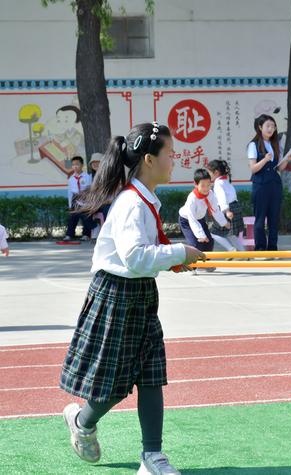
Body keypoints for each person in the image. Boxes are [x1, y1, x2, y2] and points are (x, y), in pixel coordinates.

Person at [59, 122, 205, 475]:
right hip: (117, 295)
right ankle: (82, 419)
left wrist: (172, 260)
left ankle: (152, 456)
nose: (175, 160)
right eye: (170, 154)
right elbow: (135, 257)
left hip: (139, 292)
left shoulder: (144, 198)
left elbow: (145, 256)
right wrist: (177, 253)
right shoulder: (130, 203)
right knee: (117, 381)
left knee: (152, 373)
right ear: (149, 160)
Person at [248, 114, 291, 251]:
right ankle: (260, 247)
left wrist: (286, 160)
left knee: (274, 218)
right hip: (260, 185)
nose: (270, 129)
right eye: (267, 126)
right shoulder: (253, 145)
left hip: (275, 184)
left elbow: (279, 168)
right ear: (260, 127)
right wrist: (265, 159)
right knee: (260, 218)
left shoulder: (274, 144)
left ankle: (272, 247)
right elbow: (253, 168)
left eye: (273, 126)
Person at [178, 168, 228, 253]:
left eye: (208, 185)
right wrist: (200, 235)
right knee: (196, 245)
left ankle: (206, 265)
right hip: (186, 221)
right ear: (195, 184)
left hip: (200, 219)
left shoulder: (211, 194)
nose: (206, 188)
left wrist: (224, 222)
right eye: (203, 185)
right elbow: (192, 218)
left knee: (209, 242)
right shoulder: (192, 198)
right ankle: (191, 266)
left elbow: (215, 210)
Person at [208, 159, 247, 252]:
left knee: (213, 233)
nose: (208, 175)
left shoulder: (218, 183)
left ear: (216, 172)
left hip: (227, 210)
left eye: (209, 172)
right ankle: (243, 253)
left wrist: (226, 211)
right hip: (234, 207)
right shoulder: (226, 181)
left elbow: (222, 198)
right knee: (230, 234)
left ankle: (232, 250)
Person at [63, 156, 94, 241]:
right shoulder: (71, 179)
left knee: (86, 217)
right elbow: (70, 192)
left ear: (82, 165)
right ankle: (69, 235)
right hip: (75, 199)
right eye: (73, 165)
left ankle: (86, 235)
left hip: (85, 199)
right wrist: (70, 205)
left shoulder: (88, 177)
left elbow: (90, 190)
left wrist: (89, 202)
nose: (75, 167)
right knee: (72, 217)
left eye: (77, 164)